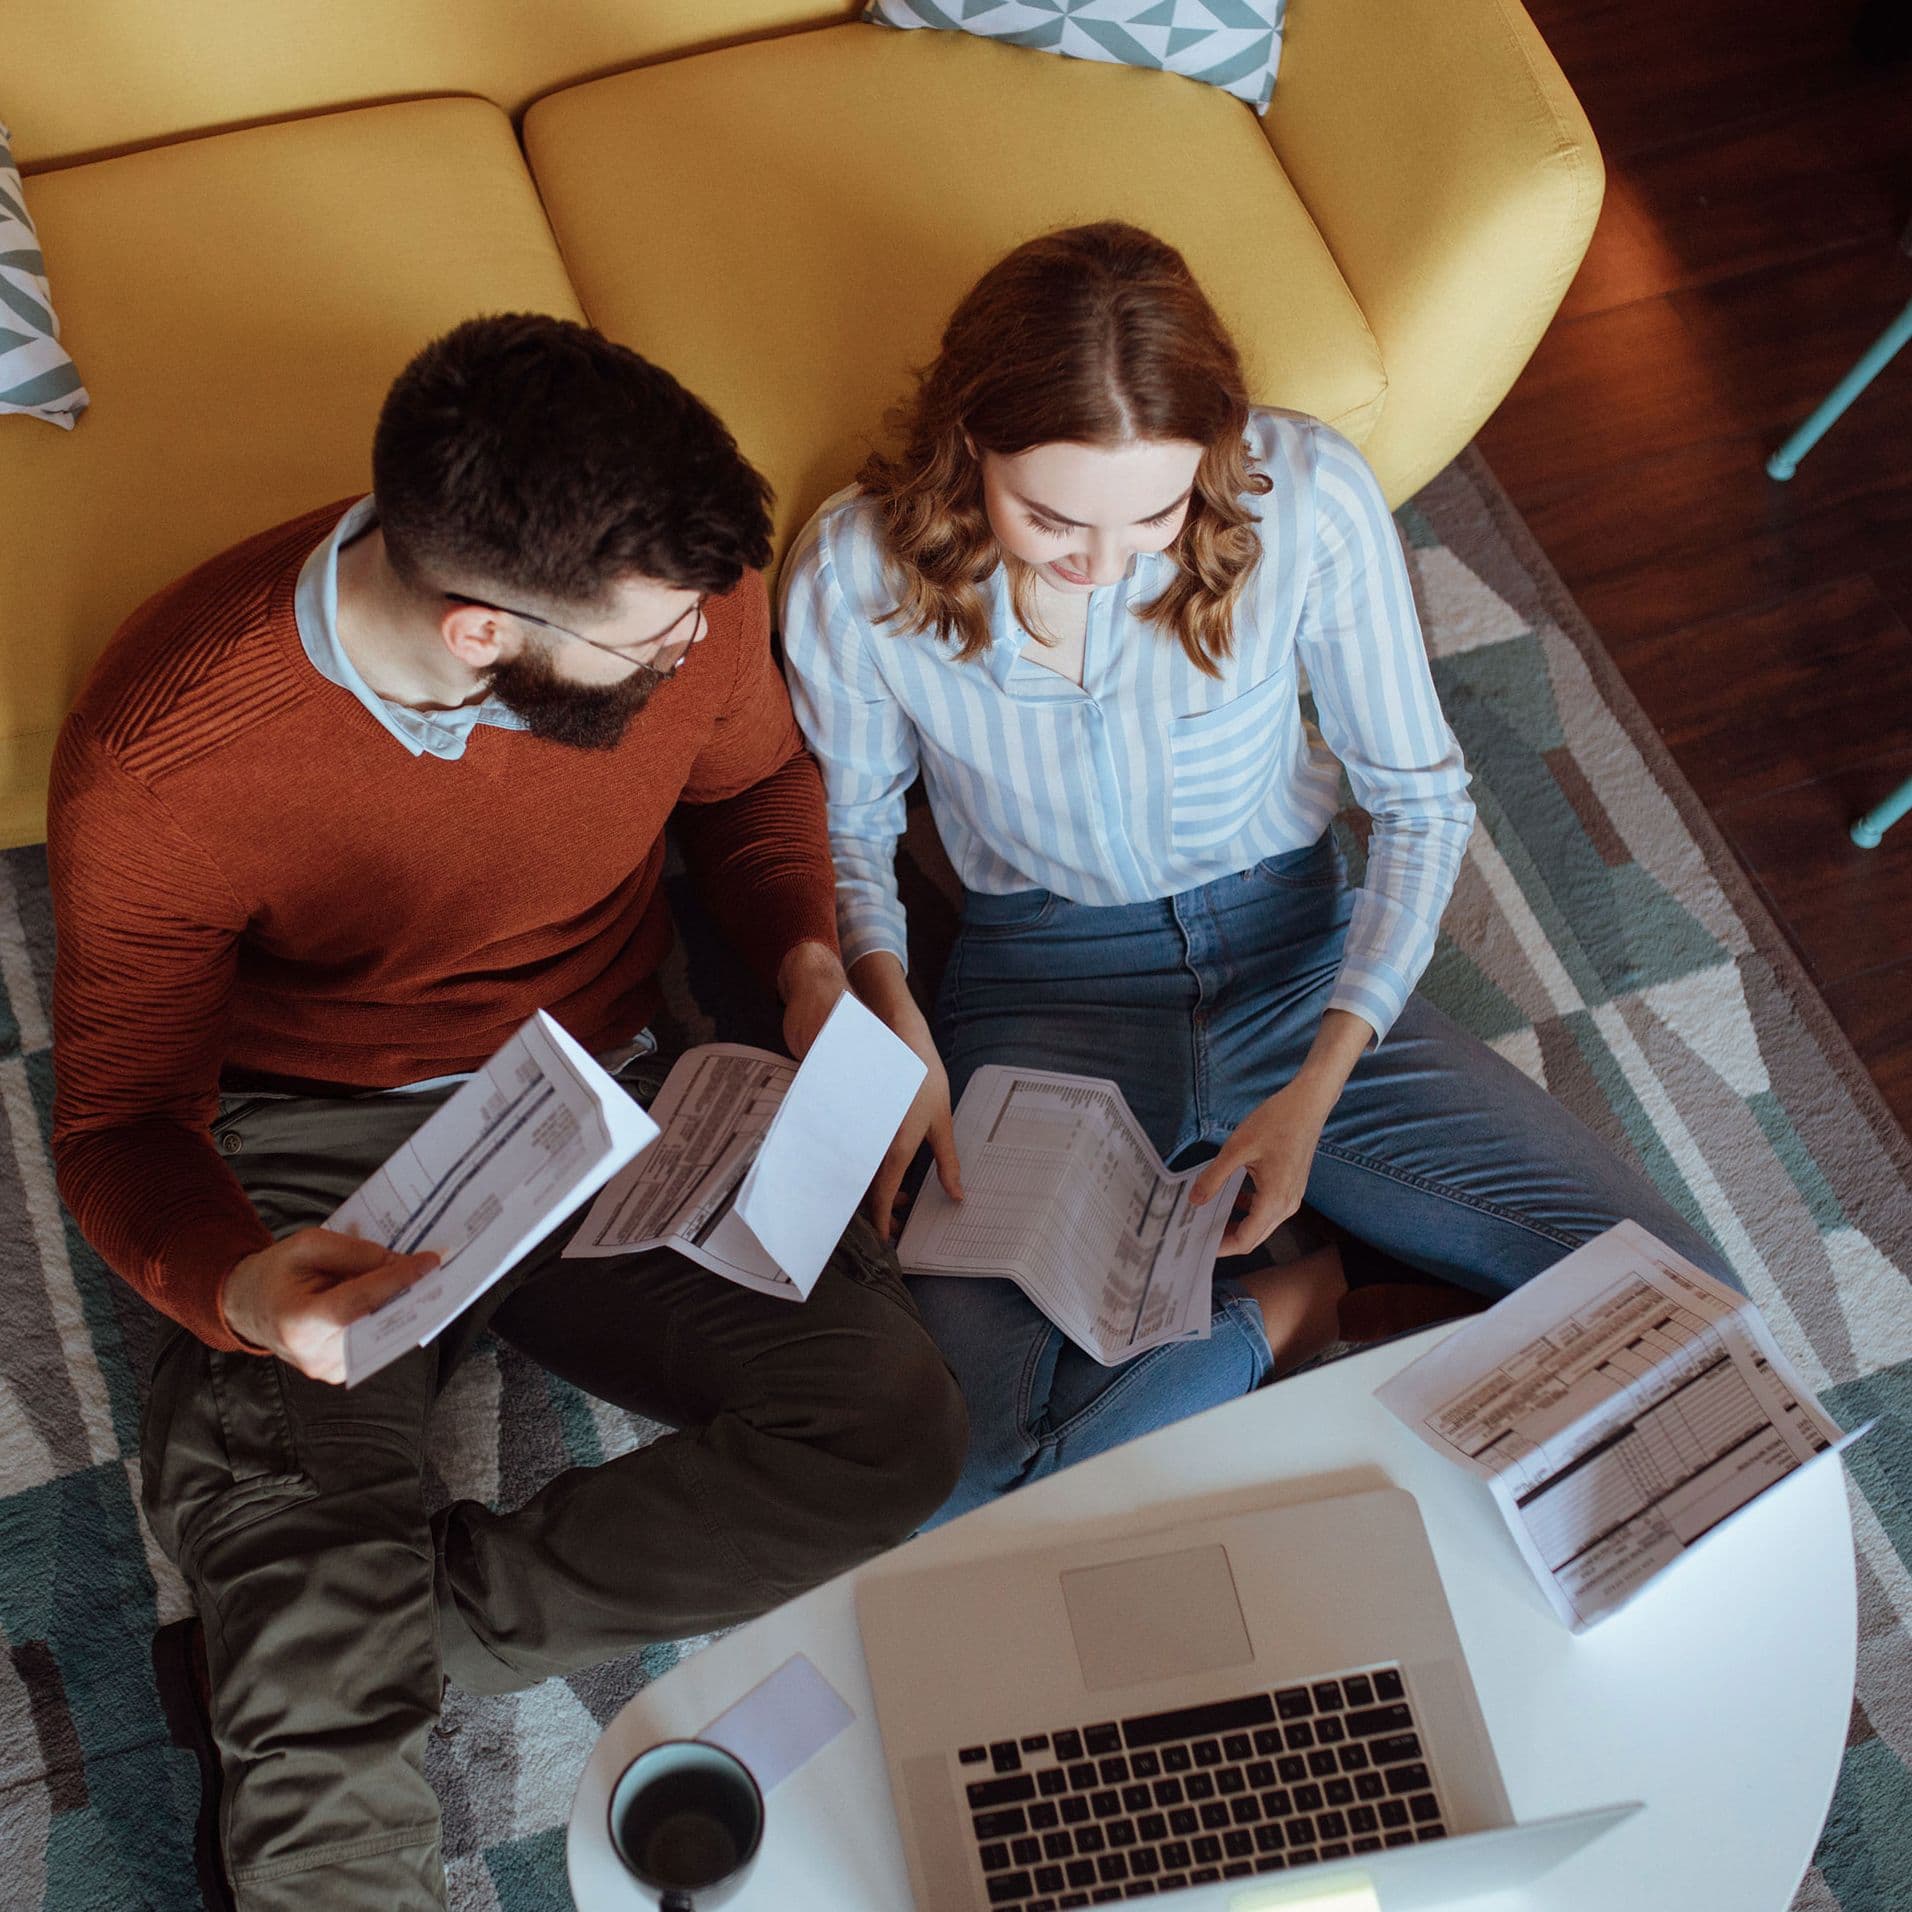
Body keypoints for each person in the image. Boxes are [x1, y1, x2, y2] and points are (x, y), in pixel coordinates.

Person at [48, 313, 966, 1910]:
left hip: (607, 1092)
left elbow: (750, 786)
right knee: (333, 1832)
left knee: (889, 1431)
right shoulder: (163, 758)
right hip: (310, 1149)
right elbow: (119, 1120)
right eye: (656, 642)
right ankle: (308, 1670)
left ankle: (324, 1650)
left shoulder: (690, 582)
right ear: (480, 632)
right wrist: (245, 1291)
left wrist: (810, 967)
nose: (700, 648)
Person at [780, 222, 1736, 1523]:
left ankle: (1308, 1283)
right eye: (1048, 517)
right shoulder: (852, 569)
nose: (1102, 565)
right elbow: (851, 824)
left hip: (1292, 954)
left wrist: (1325, 1076)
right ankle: (1300, 1302)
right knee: (963, 1470)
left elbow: (1418, 800)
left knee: (1676, 1305)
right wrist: (894, 1009)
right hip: (1041, 986)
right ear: (968, 444)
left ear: (1214, 459)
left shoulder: (1313, 500)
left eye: (1154, 517)